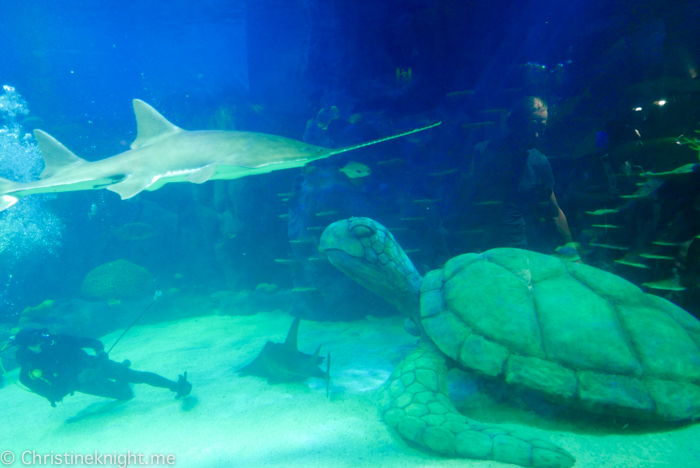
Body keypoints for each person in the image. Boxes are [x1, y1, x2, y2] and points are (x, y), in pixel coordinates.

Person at [466, 96, 575, 254]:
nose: (537, 135)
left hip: (518, 251)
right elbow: (467, 201)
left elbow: (555, 212)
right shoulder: (482, 153)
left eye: (542, 127)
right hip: (479, 248)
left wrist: (573, 253)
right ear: (517, 122)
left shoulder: (539, 162)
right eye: (532, 126)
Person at [9, 327, 191, 407]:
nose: (42, 341)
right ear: (25, 346)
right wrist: (53, 393)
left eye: (42, 335)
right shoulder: (28, 362)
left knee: (136, 376)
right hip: (79, 382)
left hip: (94, 365)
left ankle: (177, 386)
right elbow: (31, 382)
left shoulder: (60, 340)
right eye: (35, 340)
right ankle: (121, 378)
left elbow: (94, 342)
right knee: (126, 395)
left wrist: (100, 355)